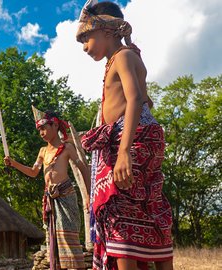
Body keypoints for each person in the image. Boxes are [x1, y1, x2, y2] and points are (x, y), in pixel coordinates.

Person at [76, 1, 173, 269]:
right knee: (144, 207)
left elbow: (135, 100)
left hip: (133, 138)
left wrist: (124, 152)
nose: (84, 47)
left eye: (86, 38)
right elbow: (146, 99)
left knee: (122, 209)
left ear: (107, 31)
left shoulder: (123, 56)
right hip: (136, 135)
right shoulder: (123, 58)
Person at [4, 109, 90, 270]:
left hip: (66, 198)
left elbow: (83, 169)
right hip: (50, 201)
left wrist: (88, 196)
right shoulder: (43, 152)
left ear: (55, 125)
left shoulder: (67, 148)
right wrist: (13, 163)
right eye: (39, 130)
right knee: (53, 242)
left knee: (68, 239)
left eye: (44, 128)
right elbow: (33, 171)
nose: (41, 133)